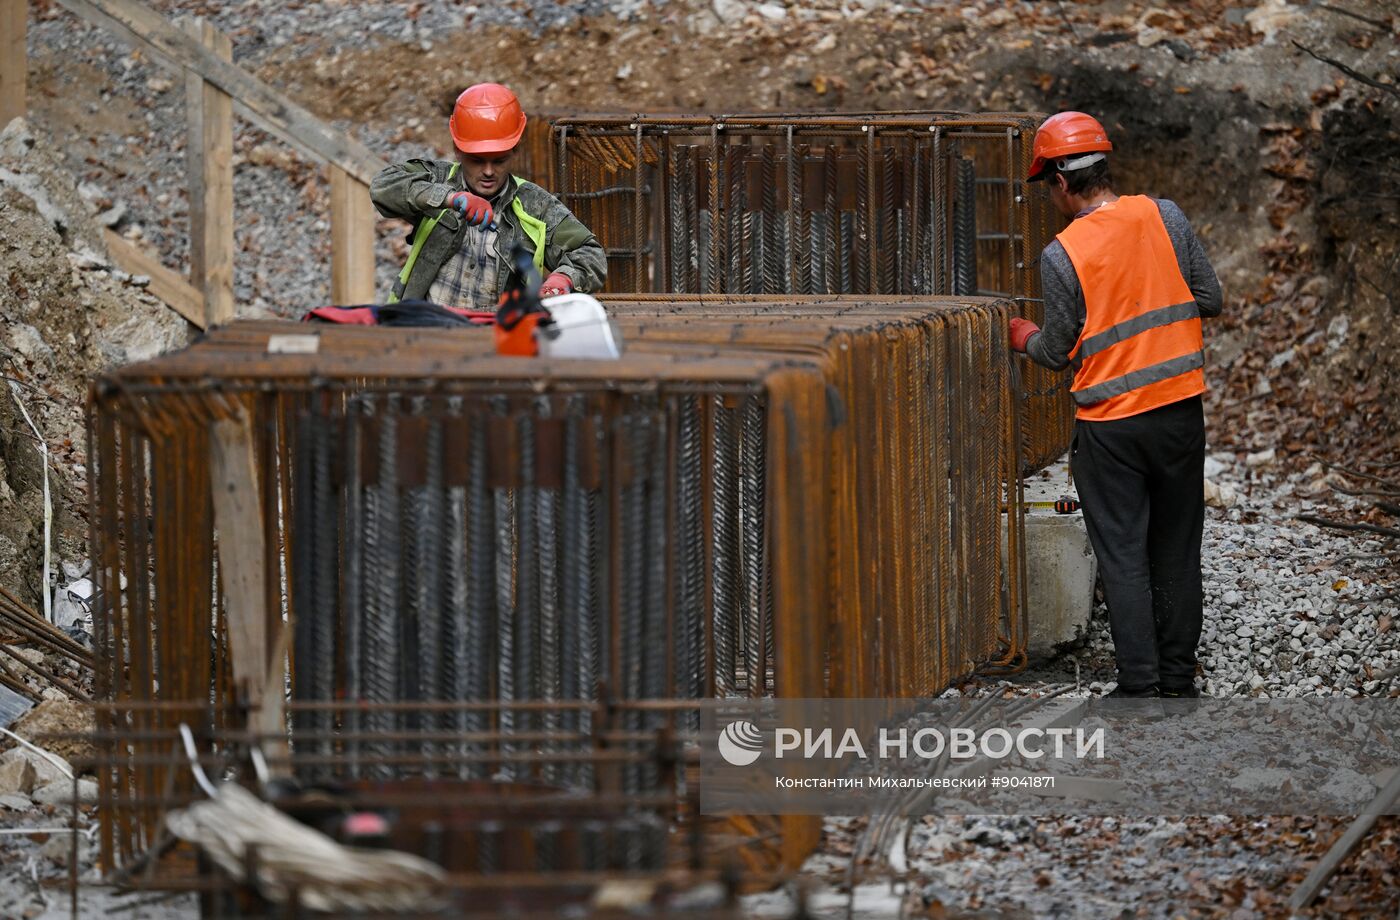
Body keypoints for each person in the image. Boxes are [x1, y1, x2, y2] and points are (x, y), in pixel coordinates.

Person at [1009, 111, 1223, 700]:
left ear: (1059, 181)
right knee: (1177, 550)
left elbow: (1056, 351)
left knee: (1124, 554)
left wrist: (1022, 334)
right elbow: (1209, 296)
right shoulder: (1166, 216)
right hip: (1180, 412)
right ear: (1103, 168)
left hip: (1110, 427)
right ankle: (1178, 681)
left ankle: (1140, 686)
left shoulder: (1062, 254)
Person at [370, 82, 606, 308]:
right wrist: (451, 198)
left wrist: (564, 278)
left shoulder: (536, 205)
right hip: (427, 326)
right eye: (477, 160)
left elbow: (589, 254)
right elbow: (383, 187)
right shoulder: (437, 179)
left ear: (515, 150)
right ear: (457, 149)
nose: (488, 171)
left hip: (492, 336)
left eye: (499, 160)